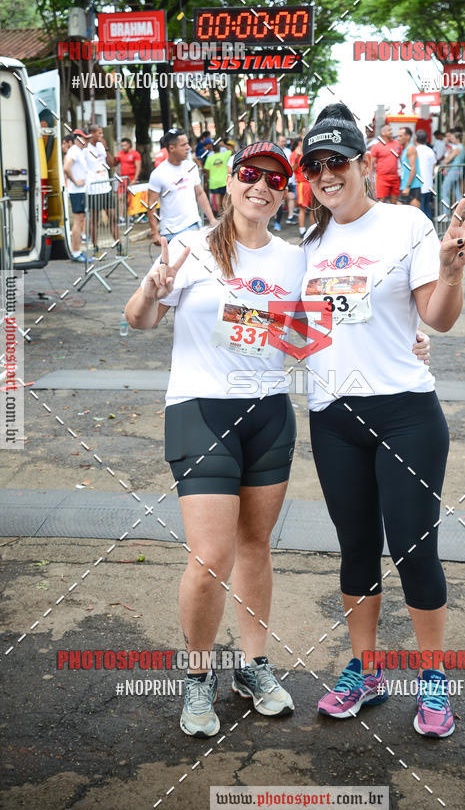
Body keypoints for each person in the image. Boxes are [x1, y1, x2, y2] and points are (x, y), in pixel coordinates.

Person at [299, 102, 465, 739]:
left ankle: (433, 680)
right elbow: (300, 330)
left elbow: (438, 316)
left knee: (413, 548)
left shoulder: (406, 224)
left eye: (337, 161)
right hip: (333, 419)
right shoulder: (310, 243)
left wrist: (453, 272)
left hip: (405, 415)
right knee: (355, 552)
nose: (326, 173)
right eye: (315, 164)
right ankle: (365, 670)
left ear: (363, 164)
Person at [125, 141, 305, 737]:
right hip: (200, 411)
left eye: (274, 180)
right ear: (231, 185)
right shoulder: (191, 247)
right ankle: (197, 677)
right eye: (250, 175)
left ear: (285, 194)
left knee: (255, 546)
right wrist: (152, 289)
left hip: (269, 413)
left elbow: (311, 337)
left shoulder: (294, 259)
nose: (261, 186)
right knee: (209, 557)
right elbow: (139, 319)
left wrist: (412, 342)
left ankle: (254, 666)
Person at [147, 128, 215, 245]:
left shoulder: (191, 166)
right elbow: (151, 205)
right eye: (183, 145)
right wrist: (154, 233)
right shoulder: (158, 174)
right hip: (171, 232)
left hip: (194, 225)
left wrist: (212, 219)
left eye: (188, 143)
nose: (188, 147)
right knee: (174, 263)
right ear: (172, 148)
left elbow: (200, 194)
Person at [86, 124, 119, 253]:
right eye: (99, 133)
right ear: (92, 134)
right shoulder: (86, 149)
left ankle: (119, 246)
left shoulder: (101, 146)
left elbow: (111, 163)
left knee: (112, 216)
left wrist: (106, 148)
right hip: (94, 189)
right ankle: (95, 247)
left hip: (106, 187)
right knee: (94, 220)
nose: (102, 135)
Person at [63, 129, 90, 262]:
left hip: (80, 191)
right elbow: (66, 168)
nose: (86, 141)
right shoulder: (74, 151)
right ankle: (76, 251)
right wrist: (75, 181)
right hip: (77, 191)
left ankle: (77, 251)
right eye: (84, 138)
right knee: (78, 222)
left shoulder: (79, 151)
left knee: (80, 221)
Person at [368, 124, 401, 204]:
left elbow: (401, 159)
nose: (391, 132)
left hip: (395, 177)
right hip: (382, 178)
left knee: (394, 203)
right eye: (389, 130)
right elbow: (371, 164)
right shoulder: (376, 146)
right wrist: (370, 180)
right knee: (381, 202)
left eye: (391, 130)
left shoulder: (397, 144)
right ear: (383, 133)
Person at [289, 138, 313, 237]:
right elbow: (292, 169)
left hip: (311, 183)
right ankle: (302, 230)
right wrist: (297, 158)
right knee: (302, 208)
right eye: (303, 141)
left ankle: (313, 229)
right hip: (302, 184)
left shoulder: (306, 152)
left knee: (314, 208)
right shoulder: (294, 153)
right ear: (299, 142)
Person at [203, 140, 232, 217]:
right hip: (223, 181)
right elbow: (232, 150)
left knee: (217, 198)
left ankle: (219, 214)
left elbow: (206, 171)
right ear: (220, 148)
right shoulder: (224, 155)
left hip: (214, 182)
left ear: (212, 149)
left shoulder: (209, 158)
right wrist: (224, 145)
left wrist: (206, 181)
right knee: (224, 199)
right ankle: (225, 214)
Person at [439, 129, 465, 213]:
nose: (451, 139)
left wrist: (441, 166)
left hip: (454, 171)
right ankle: (462, 212)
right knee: (457, 192)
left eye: (453, 138)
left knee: (444, 191)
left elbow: (448, 159)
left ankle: (445, 214)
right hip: (458, 171)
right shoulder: (461, 147)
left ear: (457, 139)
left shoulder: (458, 148)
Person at [115, 137, 142, 217]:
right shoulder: (120, 153)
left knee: (132, 198)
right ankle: (121, 217)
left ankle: (134, 216)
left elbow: (138, 167)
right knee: (120, 198)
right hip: (122, 179)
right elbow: (115, 164)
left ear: (129, 145)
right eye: (122, 146)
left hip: (132, 178)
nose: (123, 147)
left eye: (125, 145)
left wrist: (135, 179)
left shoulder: (135, 154)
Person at [397, 127, 421, 207]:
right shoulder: (404, 149)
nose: (398, 138)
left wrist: (408, 187)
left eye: (400, 136)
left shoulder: (410, 148)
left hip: (412, 186)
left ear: (408, 136)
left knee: (415, 215)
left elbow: (413, 168)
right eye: (398, 136)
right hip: (405, 185)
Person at [415, 130, 435, 220]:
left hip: (417, 184)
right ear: (426, 139)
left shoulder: (414, 150)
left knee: (420, 208)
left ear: (415, 139)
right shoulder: (430, 150)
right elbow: (433, 166)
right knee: (427, 206)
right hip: (428, 183)